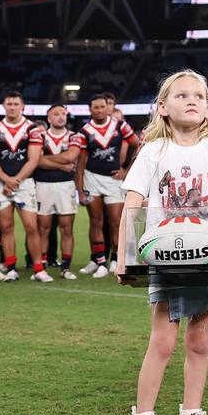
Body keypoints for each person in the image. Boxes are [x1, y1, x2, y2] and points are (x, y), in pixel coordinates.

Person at [114, 70, 208, 415]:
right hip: (167, 257)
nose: (193, 100)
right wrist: (125, 256)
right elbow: (133, 204)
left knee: (201, 341)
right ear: (162, 107)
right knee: (164, 341)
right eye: (182, 95)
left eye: (200, 96)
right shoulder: (153, 150)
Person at [76, 93, 140, 278]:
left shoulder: (120, 125)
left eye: (102, 106)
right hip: (92, 178)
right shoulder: (85, 131)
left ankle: (117, 261)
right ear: (90, 110)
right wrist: (79, 189)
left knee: (115, 222)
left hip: (114, 180)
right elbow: (80, 162)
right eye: (96, 107)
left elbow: (138, 145)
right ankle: (101, 262)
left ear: (108, 107)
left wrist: (126, 171)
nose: (100, 110)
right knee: (96, 221)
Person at [0, 91, 45, 282]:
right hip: (0, 183)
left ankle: (38, 269)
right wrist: (6, 180)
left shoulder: (31, 129)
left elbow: (34, 159)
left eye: (15, 104)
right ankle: (11, 267)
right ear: (3, 106)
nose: (12, 107)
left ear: (23, 106)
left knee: (31, 226)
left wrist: (15, 181)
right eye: (9, 104)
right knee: (6, 226)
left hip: (24, 183)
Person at [34, 103, 83, 280]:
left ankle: (66, 267)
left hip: (66, 186)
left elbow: (71, 157)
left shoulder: (74, 136)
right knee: (43, 228)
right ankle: (43, 266)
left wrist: (45, 159)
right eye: (56, 114)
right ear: (49, 118)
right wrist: (62, 166)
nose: (60, 117)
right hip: (43, 184)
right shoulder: (39, 136)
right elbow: (36, 161)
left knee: (66, 227)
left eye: (63, 113)